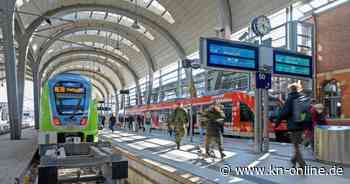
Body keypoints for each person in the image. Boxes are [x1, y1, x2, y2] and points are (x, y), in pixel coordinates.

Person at [275, 83, 306, 169]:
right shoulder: (302, 97)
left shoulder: (290, 98)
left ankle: (302, 163)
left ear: (290, 90)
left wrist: (277, 123)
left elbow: (284, 113)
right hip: (302, 125)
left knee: (296, 146)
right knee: (297, 144)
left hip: (293, 126)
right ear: (298, 89)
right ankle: (293, 160)